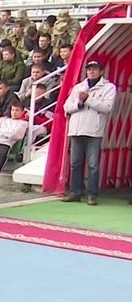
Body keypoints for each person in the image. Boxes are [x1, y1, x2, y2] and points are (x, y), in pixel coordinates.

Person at [60, 59, 116, 205]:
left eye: (95, 69)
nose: (91, 71)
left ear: (101, 71)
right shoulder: (79, 86)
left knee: (92, 164)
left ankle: (92, 194)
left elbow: (107, 107)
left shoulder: (109, 87)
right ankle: (75, 192)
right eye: (89, 69)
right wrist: (79, 104)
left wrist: (87, 99)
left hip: (94, 129)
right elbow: (66, 106)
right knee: (75, 163)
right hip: (77, 128)